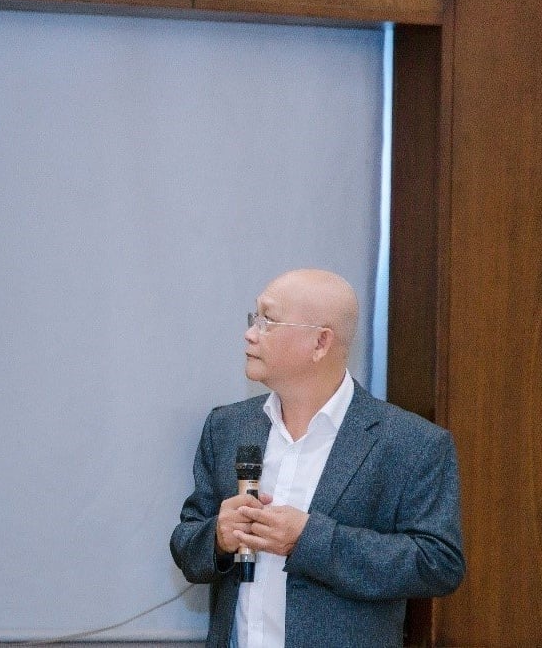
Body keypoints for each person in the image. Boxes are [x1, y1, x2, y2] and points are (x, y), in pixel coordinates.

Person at [169, 268, 464, 648]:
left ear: (320, 343)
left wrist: (308, 539)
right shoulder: (227, 427)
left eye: (268, 321)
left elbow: (438, 564)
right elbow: (187, 545)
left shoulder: (412, 443)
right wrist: (218, 537)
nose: (250, 333)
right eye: (253, 318)